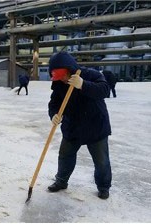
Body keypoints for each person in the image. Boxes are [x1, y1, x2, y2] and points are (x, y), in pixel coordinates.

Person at [47, 51, 112, 199]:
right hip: (72, 127)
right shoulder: (58, 83)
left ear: (69, 69)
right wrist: (54, 115)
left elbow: (104, 90)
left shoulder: (91, 74)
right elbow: (54, 103)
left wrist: (83, 84)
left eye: (62, 75)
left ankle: (103, 187)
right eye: (57, 76)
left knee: (101, 161)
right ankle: (61, 181)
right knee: (65, 155)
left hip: (95, 126)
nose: (61, 79)